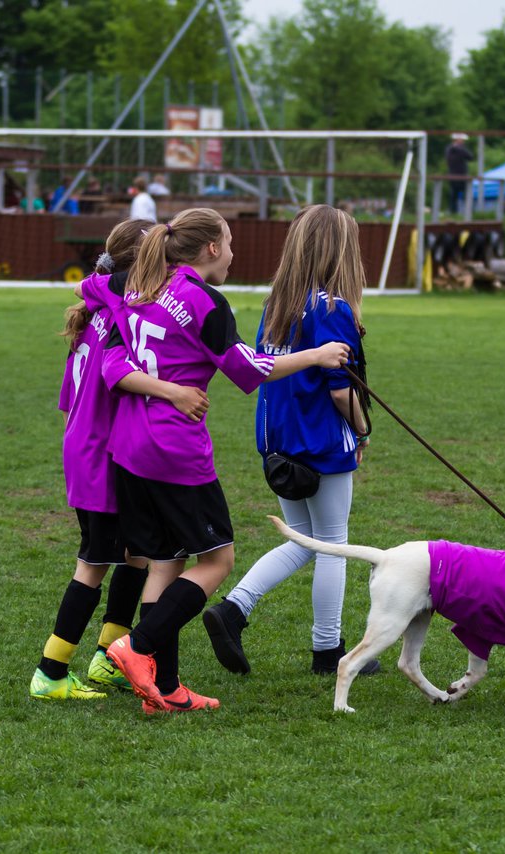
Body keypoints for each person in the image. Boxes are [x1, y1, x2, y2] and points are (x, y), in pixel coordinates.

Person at [87, 208, 351, 714]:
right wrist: (317, 355)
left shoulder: (141, 286)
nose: (233, 253)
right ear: (211, 249)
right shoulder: (204, 299)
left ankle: (163, 688)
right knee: (218, 560)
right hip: (174, 451)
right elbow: (248, 369)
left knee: (166, 561)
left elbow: (105, 333)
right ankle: (136, 647)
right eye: (229, 243)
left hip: (127, 447)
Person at [31, 219, 211, 700]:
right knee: (95, 562)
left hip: (91, 448)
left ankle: (109, 656)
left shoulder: (101, 313)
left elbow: (70, 399)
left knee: (136, 555)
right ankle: (50, 672)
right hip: (101, 456)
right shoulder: (119, 316)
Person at [202, 205, 381, 677]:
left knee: (305, 541)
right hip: (321, 445)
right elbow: (341, 390)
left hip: (279, 444)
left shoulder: (275, 306)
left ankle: (234, 609)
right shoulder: (332, 308)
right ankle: (329, 652)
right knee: (333, 544)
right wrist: (363, 430)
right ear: (341, 252)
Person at [446, 132, 471, 218]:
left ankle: (466, 212)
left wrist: (460, 149)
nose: (463, 141)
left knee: (466, 195)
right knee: (453, 195)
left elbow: (470, 157)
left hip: (463, 176)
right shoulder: (450, 149)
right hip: (453, 176)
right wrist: (457, 148)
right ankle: (453, 212)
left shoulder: (462, 149)